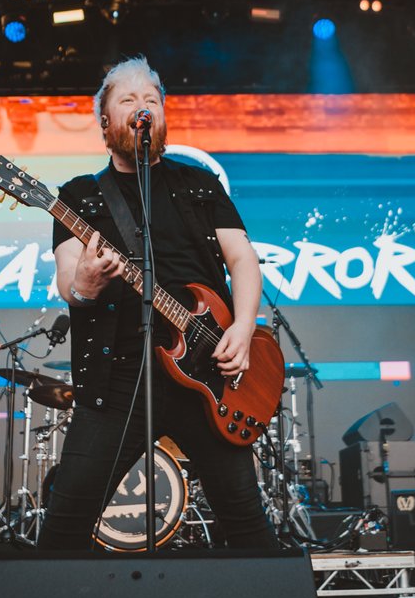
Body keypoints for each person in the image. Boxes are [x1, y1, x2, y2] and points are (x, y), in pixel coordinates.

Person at [37, 56, 278, 550]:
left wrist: (242, 329)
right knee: (62, 533)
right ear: (105, 121)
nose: (142, 107)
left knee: (249, 531)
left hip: (207, 380)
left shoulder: (199, 185)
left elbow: (243, 260)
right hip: (115, 380)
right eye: (128, 100)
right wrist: (87, 281)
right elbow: (70, 287)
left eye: (151, 99)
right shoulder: (79, 197)